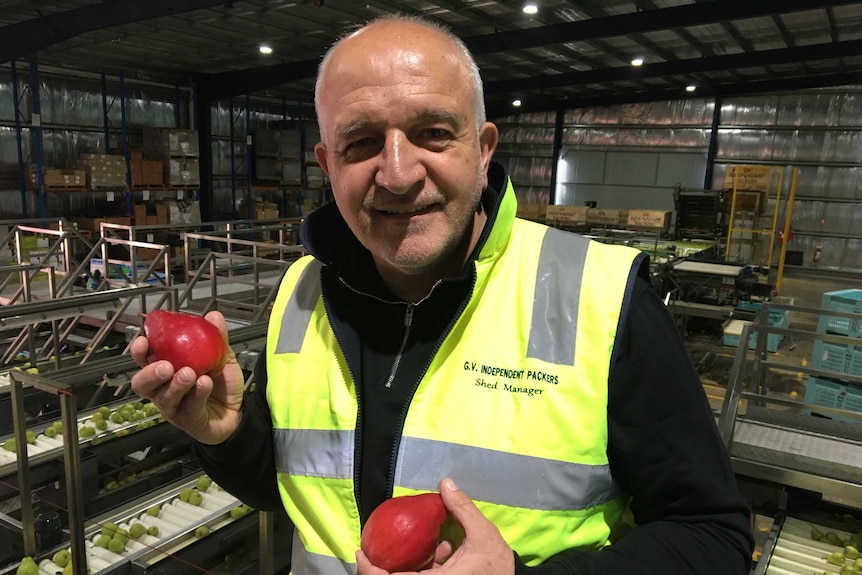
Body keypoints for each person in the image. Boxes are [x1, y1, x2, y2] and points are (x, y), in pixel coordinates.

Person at [131, 14, 754, 575]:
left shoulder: (602, 298)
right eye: (361, 142)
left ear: (483, 151)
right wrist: (228, 439)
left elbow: (713, 536)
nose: (398, 173)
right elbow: (301, 494)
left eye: (432, 133)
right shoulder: (300, 295)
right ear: (328, 163)